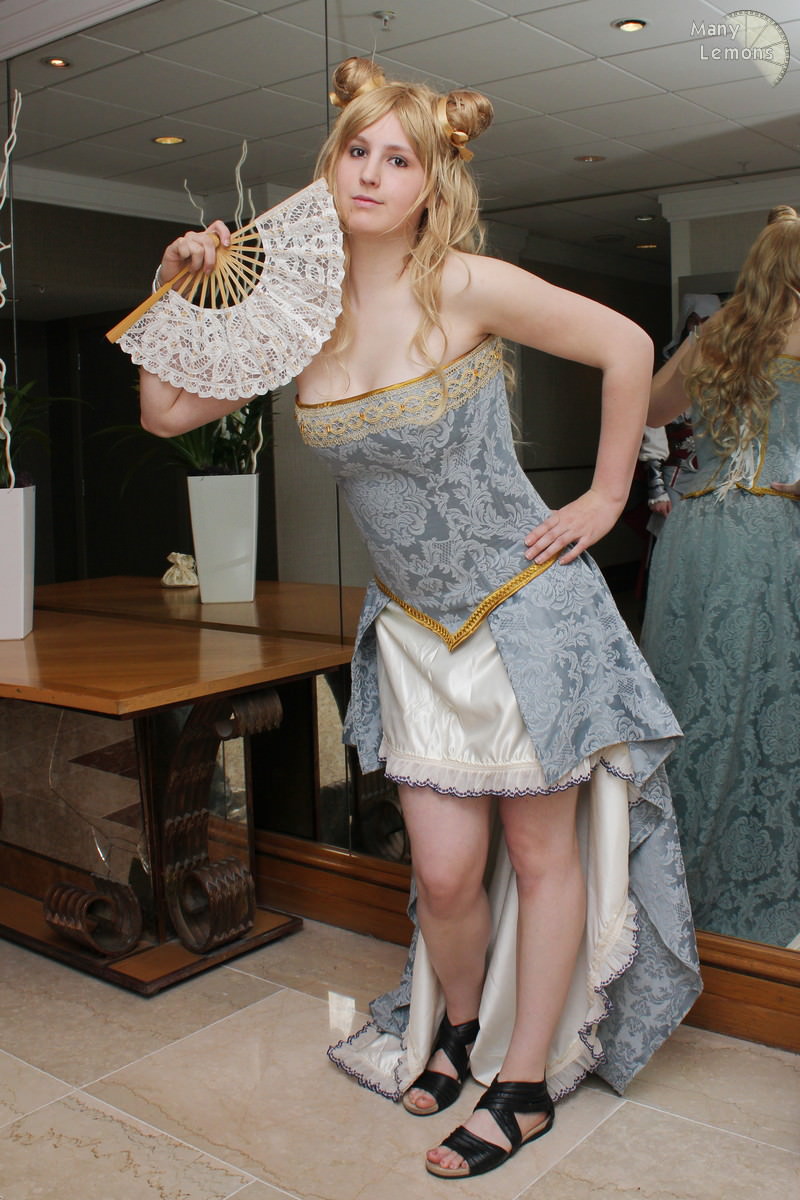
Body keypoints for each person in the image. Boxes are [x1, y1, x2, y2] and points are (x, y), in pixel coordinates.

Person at [138, 57, 700, 1181]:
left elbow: (627, 348)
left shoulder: (467, 285)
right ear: (330, 164)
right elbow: (164, 411)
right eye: (357, 151)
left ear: (431, 186)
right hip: (409, 631)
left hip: (524, 614)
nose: (372, 173)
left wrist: (604, 497)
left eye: (398, 159)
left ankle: (522, 1087)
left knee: (540, 855)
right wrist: (173, 283)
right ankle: (457, 1030)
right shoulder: (296, 314)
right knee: (442, 873)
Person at [641, 206, 800, 948]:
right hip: (774, 530)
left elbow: (647, 406)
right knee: (772, 697)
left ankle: (666, 877)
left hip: (699, 535)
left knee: (691, 693)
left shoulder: (716, 336)